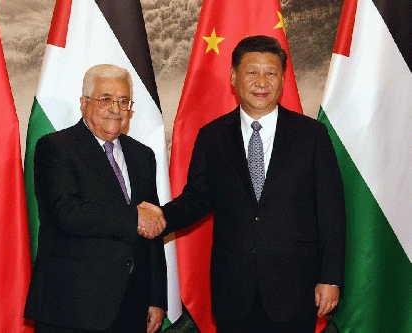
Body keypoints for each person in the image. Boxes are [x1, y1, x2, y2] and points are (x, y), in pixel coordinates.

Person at [140, 35, 346, 332]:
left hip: (295, 290)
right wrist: (161, 217)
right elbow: (197, 198)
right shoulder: (212, 137)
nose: (261, 81)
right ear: (234, 77)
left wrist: (331, 277)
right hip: (234, 292)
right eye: (252, 72)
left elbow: (332, 213)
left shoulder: (311, 136)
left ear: (283, 78)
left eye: (271, 73)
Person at [24, 64, 167, 333]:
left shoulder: (142, 155)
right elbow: (67, 214)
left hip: (131, 306)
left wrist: (156, 297)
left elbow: (152, 230)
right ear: (84, 103)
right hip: (73, 307)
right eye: (105, 99)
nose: (116, 108)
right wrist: (134, 217)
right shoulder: (55, 148)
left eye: (124, 101)